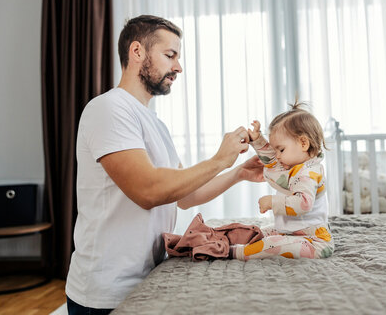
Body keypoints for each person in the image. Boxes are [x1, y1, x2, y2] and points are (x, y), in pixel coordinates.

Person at [65, 15, 264, 314]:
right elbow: (148, 191)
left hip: (147, 280)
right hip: (106, 292)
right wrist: (218, 159)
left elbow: (185, 196)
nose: (178, 67)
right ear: (137, 52)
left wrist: (237, 172)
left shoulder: (155, 124)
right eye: (170, 55)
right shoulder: (107, 109)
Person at [230, 102, 334, 260]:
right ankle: (225, 238)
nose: (277, 155)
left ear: (303, 143)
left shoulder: (309, 173)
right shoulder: (294, 165)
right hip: (293, 230)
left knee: (271, 243)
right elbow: (271, 159)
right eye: (275, 149)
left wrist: (273, 202)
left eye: (281, 149)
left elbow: (304, 203)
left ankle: (234, 252)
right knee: (258, 231)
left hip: (315, 241)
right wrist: (257, 140)